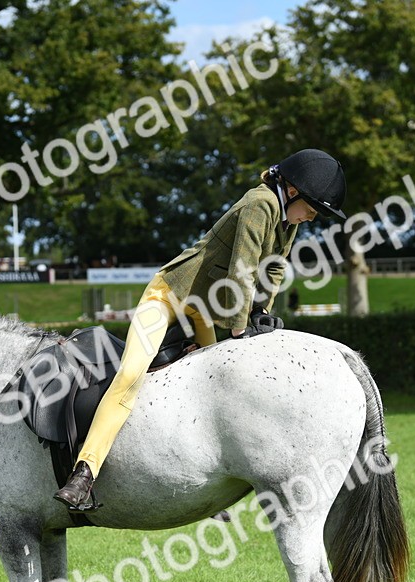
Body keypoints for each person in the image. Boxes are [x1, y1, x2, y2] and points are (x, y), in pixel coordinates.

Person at [55, 148, 347, 511]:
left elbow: (272, 270)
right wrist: (240, 331)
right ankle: (84, 474)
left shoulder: (286, 220)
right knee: (129, 377)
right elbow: (242, 267)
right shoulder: (261, 204)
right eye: (313, 210)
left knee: (211, 391)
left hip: (203, 309)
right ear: (292, 192)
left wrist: (263, 312)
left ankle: (205, 491)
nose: (311, 218)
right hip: (168, 297)